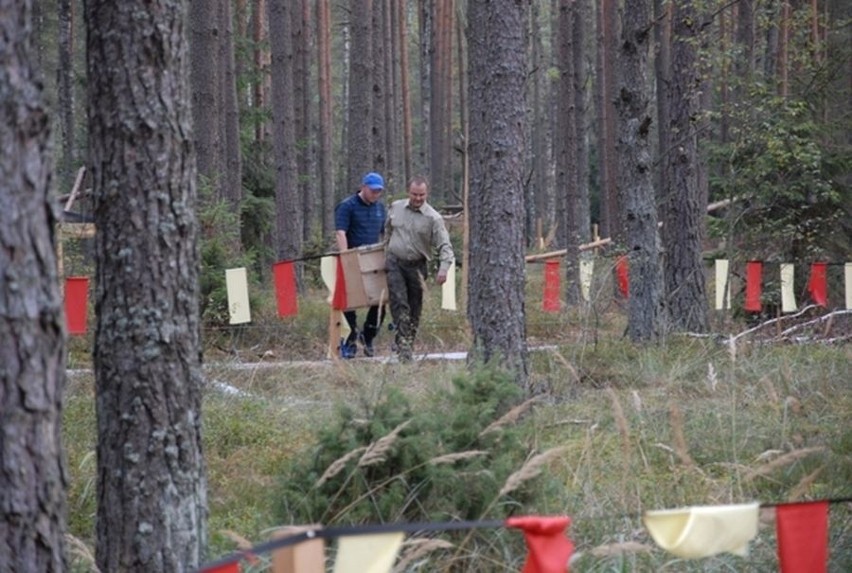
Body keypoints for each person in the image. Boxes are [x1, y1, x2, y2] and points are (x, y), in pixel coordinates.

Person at [385, 175, 455, 362]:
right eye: (415, 194)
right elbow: (387, 231)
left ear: (427, 193)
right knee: (400, 304)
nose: (418, 198)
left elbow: (445, 245)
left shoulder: (434, 218)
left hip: (417, 266)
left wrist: (444, 267)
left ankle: (408, 342)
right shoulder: (395, 207)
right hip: (394, 263)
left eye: (421, 195)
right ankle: (403, 349)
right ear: (409, 192)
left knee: (414, 309)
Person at [334, 172, 387, 358]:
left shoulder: (380, 208)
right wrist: (346, 257)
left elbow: (383, 234)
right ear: (363, 187)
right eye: (373, 190)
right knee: (350, 303)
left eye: (379, 191)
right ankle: (350, 341)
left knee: (380, 302)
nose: (375, 194)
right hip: (352, 258)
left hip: (373, 259)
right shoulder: (347, 206)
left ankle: (368, 337)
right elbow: (340, 233)